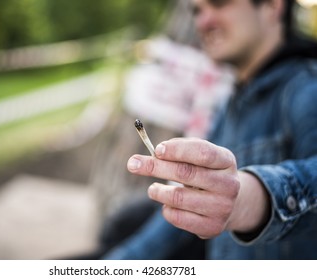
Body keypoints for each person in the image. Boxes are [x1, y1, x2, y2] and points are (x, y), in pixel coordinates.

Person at [103, 0, 317, 259]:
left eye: (219, 3)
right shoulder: (230, 106)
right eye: (197, 10)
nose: (203, 21)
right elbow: (172, 229)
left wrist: (251, 198)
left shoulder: (307, 89)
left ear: (273, 6)